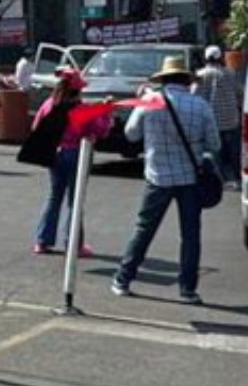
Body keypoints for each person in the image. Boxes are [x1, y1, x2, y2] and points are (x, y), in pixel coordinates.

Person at [112, 57, 220, 304]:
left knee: (144, 229)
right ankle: (188, 289)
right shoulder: (200, 105)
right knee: (191, 235)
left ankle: (123, 278)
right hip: (190, 178)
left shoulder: (150, 102)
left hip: (158, 176)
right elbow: (215, 144)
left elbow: (130, 135)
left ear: (163, 79)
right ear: (186, 80)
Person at [31, 70, 112, 255]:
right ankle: (74, 243)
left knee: (54, 197)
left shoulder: (49, 105)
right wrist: (106, 112)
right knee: (75, 201)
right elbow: (100, 131)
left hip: (55, 152)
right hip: (76, 153)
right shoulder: (81, 109)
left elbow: (36, 127)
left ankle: (42, 240)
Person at [192, 46, 242, 187]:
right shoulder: (229, 73)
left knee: (215, 151)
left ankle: (220, 180)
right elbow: (240, 92)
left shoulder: (201, 75)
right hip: (232, 120)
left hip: (212, 121)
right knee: (234, 153)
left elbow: (194, 96)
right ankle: (237, 180)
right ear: (220, 58)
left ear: (206, 58)